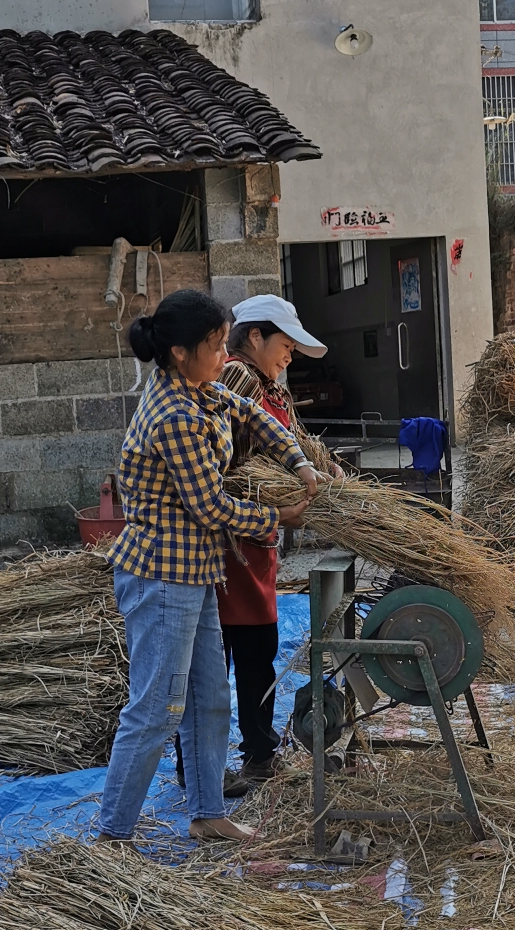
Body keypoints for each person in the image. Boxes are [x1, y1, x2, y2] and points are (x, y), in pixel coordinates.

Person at [95, 289, 316, 850]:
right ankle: (112, 835)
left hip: (196, 574)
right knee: (156, 706)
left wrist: (299, 461)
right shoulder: (172, 415)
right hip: (160, 577)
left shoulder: (203, 391)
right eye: (216, 346)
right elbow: (211, 506)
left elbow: (251, 414)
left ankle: (207, 814)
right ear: (178, 351)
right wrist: (279, 514)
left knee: (209, 697)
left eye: (225, 343)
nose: (225, 356)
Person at [216, 292, 342, 781]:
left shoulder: (270, 387)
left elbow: (293, 440)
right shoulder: (238, 379)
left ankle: (258, 752)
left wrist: (327, 470)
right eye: (285, 344)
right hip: (229, 543)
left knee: (255, 651)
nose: (290, 355)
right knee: (232, 657)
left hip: (258, 539)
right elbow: (226, 468)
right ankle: (229, 762)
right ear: (254, 336)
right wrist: (273, 503)